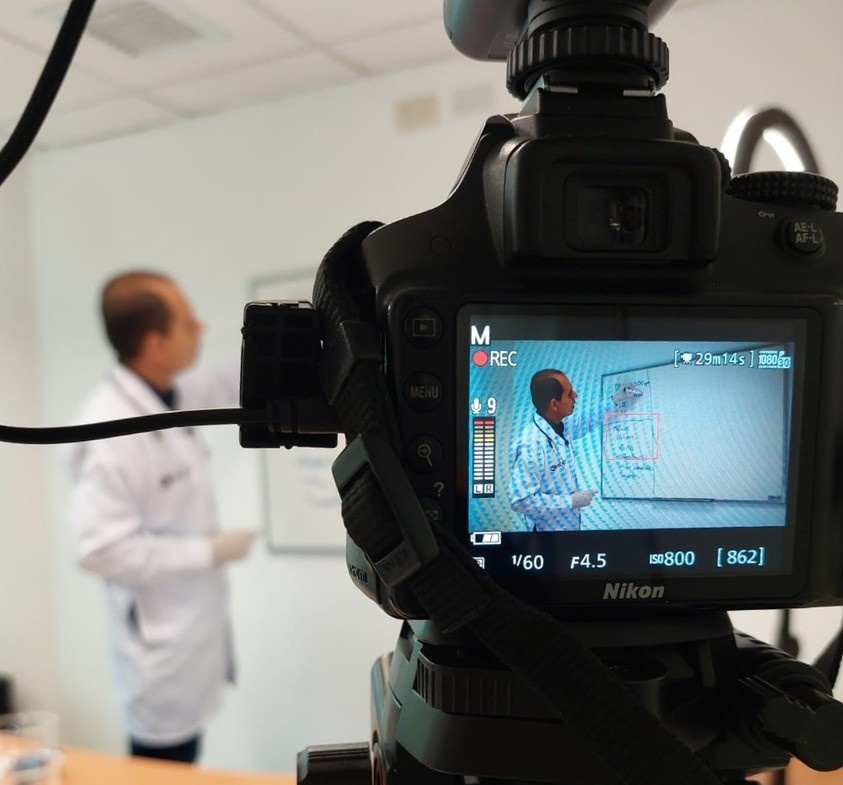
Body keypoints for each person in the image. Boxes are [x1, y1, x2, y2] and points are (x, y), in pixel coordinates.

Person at [67, 271, 257, 763]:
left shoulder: (170, 393)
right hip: (159, 657)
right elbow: (98, 550)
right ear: (154, 343)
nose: (200, 328)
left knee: (187, 756)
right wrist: (206, 551)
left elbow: (228, 382)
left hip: (191, 639)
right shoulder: (110, 430)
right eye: (187, 321)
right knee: (163, 767)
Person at [508, 368, 640, 532]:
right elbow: (520, 501)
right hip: (546, 536)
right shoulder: (531, 445)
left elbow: (587, 420)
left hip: (568, 531)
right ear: (554, 404)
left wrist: (615, 400)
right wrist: (571, 501)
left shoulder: (560, 426)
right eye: (570, 394)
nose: (576, 395)